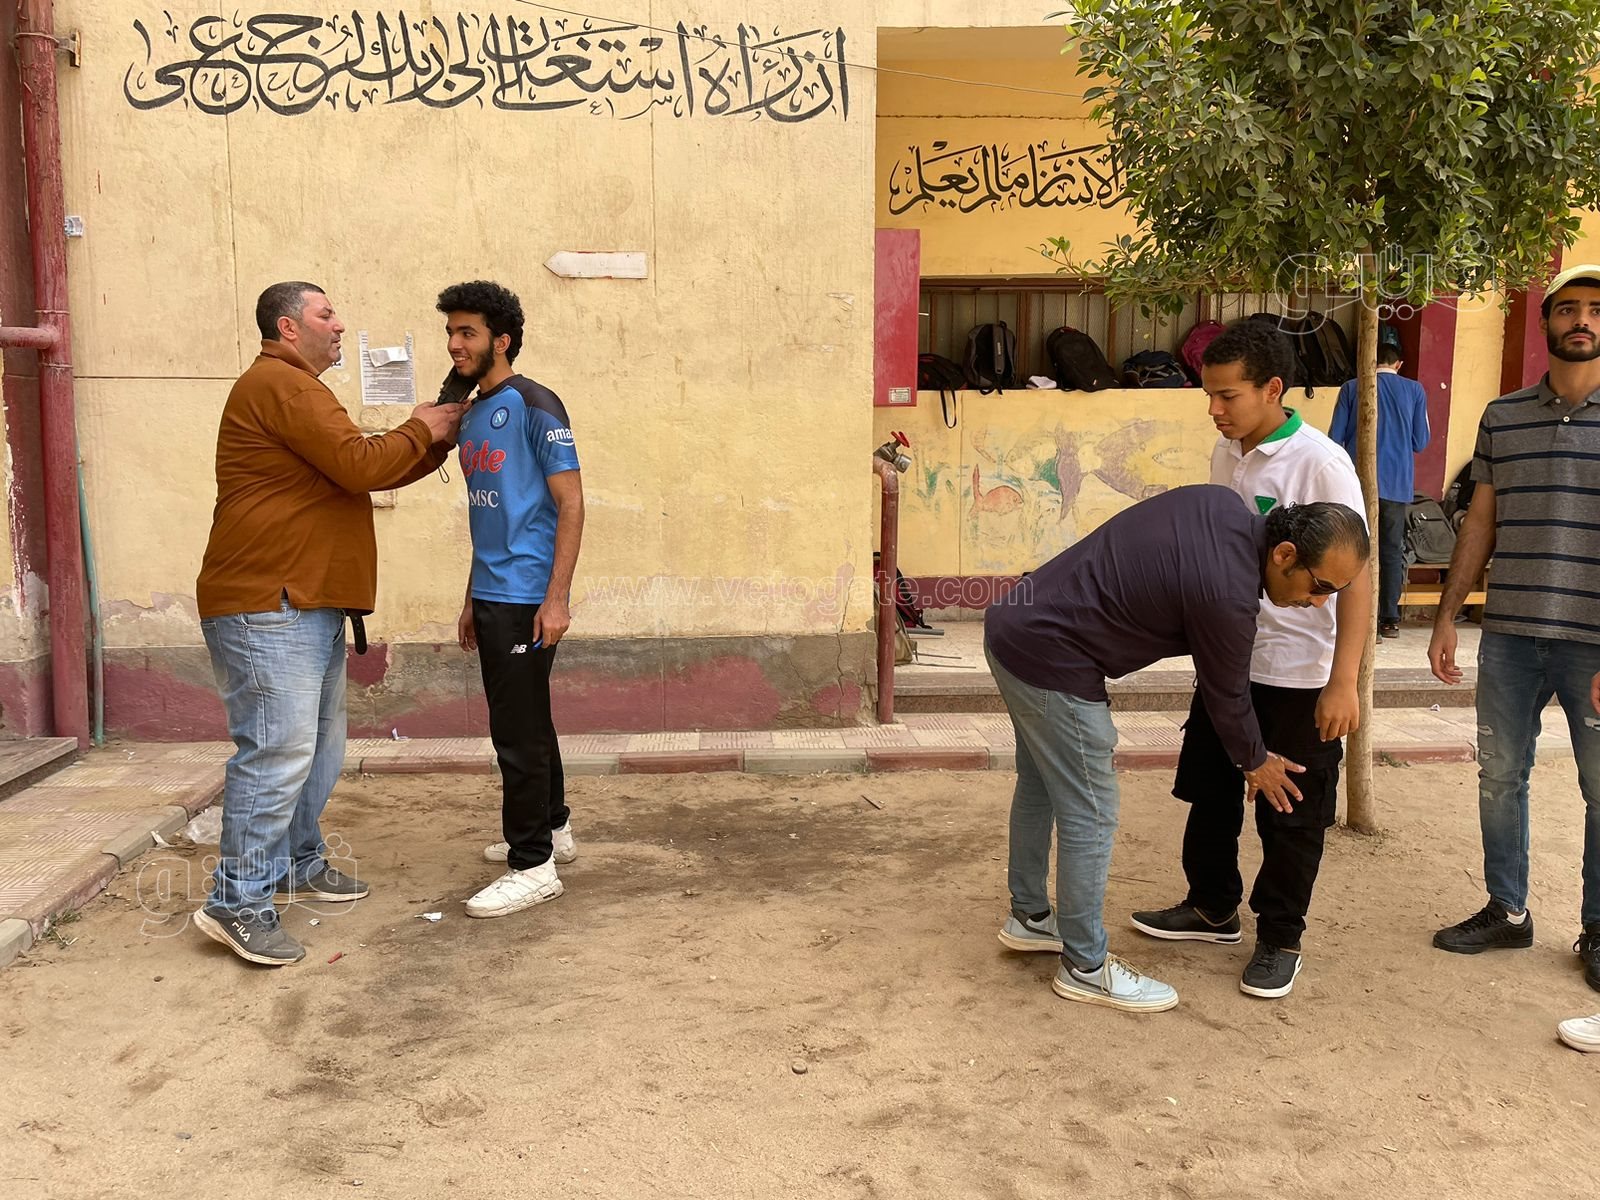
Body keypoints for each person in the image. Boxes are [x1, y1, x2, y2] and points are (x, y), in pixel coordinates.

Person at [985, 485, 1370, 1013]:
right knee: (1090, 813)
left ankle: (1030, 918)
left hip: (1014, 625)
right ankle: (1085, 967)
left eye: (1334, 593)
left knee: (1041, 786)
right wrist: (1256, 761)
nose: (1319, 603)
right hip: (1054, 659)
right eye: (1320, 586)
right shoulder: (1229, 596)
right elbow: (1227, 694)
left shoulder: (1221, 505)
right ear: (1284, 554)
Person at [194, 281, 463, 966]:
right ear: (288, 327)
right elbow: (357, 462)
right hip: (268, 603)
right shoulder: (283, 385)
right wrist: (422, 427)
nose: (339, 325)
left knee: (316, 749)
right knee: (276, 752)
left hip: (302, 602)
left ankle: (295, 859)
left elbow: (361, 471)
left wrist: (433, 441)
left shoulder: (296, 390)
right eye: (326, 314)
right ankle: (236, 902)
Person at [1129, 320, 1372, 999]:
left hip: (1298, 674)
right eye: (1208, 394)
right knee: (1209, 791)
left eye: (1228, 396)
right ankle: (1211, 907)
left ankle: (1280, 938)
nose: (1214, 409)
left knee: (1290, 811)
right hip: (1228, 660)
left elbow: (1356, 573)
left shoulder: (1320, 464)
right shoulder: (1227, 452)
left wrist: (1343, 681)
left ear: (1272, 389)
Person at [1428, 263, 1600, 998]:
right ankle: (1508, 909)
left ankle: (1599, 928)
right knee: (1500, 776)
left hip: (1593, 641)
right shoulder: (1502, 416)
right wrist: (1446, 615)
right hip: (1509, 636)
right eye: (1568, 309)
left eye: (1596, 310)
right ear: (1547, 321)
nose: (1582, 321)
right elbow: (1480, 523)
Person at [436, 281, 585, 920]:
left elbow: (570, 504)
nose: (454, 344)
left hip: (528, 596)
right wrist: (472, 595)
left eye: (466, 332)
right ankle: (553, 829)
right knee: (529, 719)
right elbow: (488, 514)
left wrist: (557, 600)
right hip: (492, 592)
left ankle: (533, 867)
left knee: (515, 734)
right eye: (451, 332)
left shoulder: (535, 403)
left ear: (501, 340)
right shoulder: (473, 414)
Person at [1329, 342, 1431, 637]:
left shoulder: (1351, 387)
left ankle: (1355, 617)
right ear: (1398, 364)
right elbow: (1421, 441)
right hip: (1397, 483)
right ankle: (1389, 619)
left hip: (1356, 482)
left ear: (1368, 362)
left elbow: (1334, 438)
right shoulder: (1415, 390)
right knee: (1391, 550)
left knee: (1353, 545)